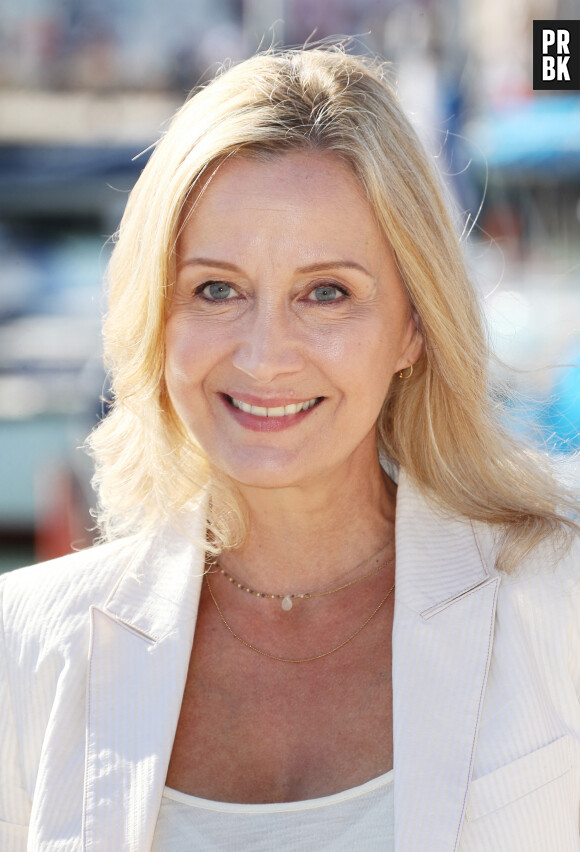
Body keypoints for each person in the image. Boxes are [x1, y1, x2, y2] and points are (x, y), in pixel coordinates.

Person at [1, 46, 579, 852]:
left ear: (414, 326)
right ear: (155, 316)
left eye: (327, 293)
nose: (265, 354)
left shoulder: (559, 594)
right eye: (216, 289)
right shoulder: (26, 647)